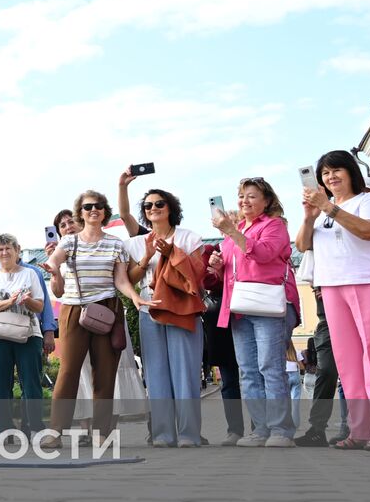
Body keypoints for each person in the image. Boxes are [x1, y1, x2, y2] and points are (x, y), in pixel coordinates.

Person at [298, 152, 370, 450]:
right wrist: (309, 216)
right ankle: (360, 430)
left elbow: (369, 232)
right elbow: (303, 244)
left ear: (350, 172)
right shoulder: (321, 211)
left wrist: (328, 207)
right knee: (349, 363)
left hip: (368, 282)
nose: (331, 177)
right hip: (332, 287)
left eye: (336, 170)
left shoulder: (366, 201)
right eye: (325, 173)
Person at [44, 191, 149, 447]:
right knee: (68, 371)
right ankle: (56, 431)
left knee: (104, 373)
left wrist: (134, 298)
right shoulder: (69, 242)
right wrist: (52, 267)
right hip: (73, 309)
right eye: (88, 206)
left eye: (99, 207)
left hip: (107, 309)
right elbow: (55, 260)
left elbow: (121, 280)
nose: (94, 210)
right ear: (80, 212)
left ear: (105, 212)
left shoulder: (116, 244)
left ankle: (102, 432)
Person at [209, 177, 298, 448]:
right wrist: (217, 263)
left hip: (270, 305)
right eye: (242, 196)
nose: (244, 201)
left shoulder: (275, 225)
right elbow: (231, 269)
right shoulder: (233, 233)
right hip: (239, 307)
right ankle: (260, 430)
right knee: (248, 370)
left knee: (270, 367)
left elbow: (265, 254)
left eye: (251, 196)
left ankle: (281, 430)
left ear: (267, 201)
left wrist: (232, 232)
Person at [125, 189, 207, 447]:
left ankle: (189, 434)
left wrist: (172, 252)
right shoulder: (136, 243)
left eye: (159, 203)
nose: (153, 208)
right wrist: (148, 255)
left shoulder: (190, 237)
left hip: (182, 310)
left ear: (170, 207)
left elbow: (198, 275)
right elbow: (130, 279)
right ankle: (162, 434)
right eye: (148, 205)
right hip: (150, 310)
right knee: (156, 375)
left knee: (186, 373)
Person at [0, 234, 51, 438]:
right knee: (0, 384)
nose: (4, 252)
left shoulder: (30, 274)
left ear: (17, 250)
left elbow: (40, 305)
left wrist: (26, 301)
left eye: (8, 248)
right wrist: (9, 302)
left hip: (28, 334)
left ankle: (35, 427)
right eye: (0, 249)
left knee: (31, 382)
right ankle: (3, 429)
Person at [200, 241, 246, 444]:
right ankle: (235, 430)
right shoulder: (212, 250)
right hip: (222, 319)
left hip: (250, 309)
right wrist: (222, 274)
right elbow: (206, 280)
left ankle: (261, 427)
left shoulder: (251, 244)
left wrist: (222, 274)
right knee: (229, 380)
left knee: (256, 375)